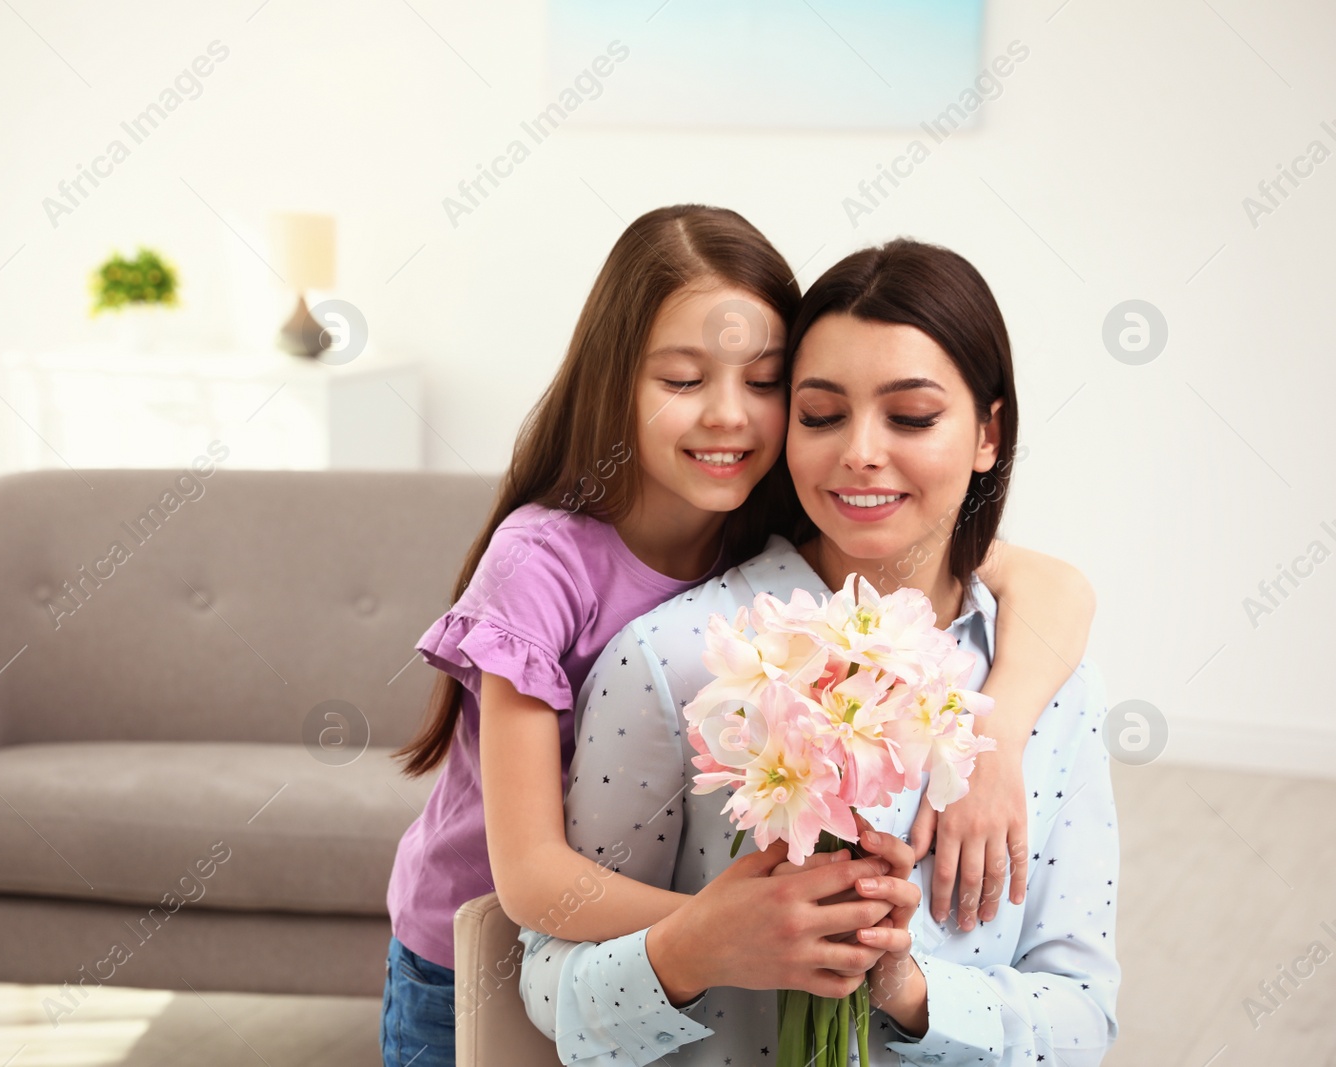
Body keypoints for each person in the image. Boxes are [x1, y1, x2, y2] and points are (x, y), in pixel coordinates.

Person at [381, 209, 1097, 1067]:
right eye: (683, 380)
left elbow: (1043, 577)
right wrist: (723, 928)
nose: (730, 418)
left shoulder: (762, 512)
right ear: (614, 385)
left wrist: (994, 734)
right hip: (467, 935)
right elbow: (533, 883)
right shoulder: (558, 571)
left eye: (764, 385)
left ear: (988, 431)